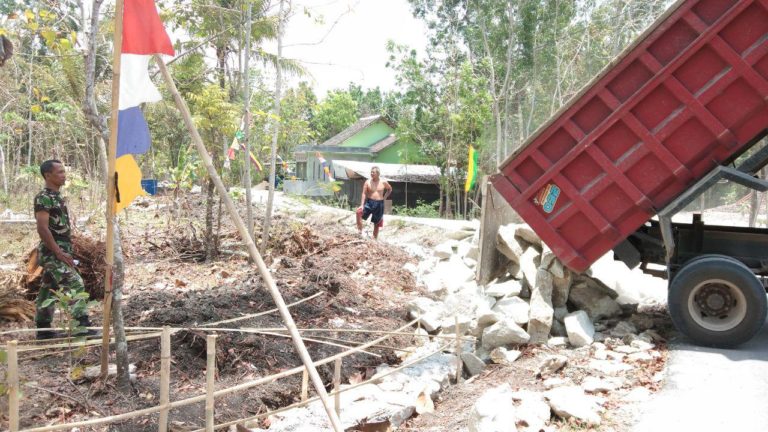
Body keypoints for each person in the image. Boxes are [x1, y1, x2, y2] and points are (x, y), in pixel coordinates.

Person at [33, 160, 95, 339]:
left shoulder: (57, 196)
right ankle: (82, 325)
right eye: (59, 172)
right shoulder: (43, 197)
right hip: (52, 252)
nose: (63, 175)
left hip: (60, 248)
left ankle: (43, 329)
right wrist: (58, 252)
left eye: (63, 171)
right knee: (74, 283)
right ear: (48, 176)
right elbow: (42, 228)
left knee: (48, 288)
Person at [356, 166, 392, 239]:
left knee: (377, 222)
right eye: (371, 172)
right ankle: (360, 230)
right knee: (358, 212)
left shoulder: (383, 182)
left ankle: (374, 238)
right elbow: (364, 193)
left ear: (378, 173)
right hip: (369, 202)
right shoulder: (368, 182)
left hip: (379, 204)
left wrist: (384, 198)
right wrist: (362, 205)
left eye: (373, 172)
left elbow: (389, 189)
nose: (371, 173)